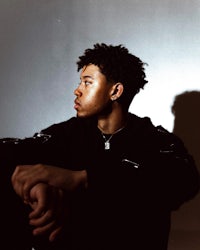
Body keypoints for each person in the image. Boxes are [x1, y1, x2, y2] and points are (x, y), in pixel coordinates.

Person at [1, 43, 199, 250]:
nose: (77, 90)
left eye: (87, 83)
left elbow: (183, 179)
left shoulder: (154, 139)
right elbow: (11, 151)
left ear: (115, 91)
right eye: (80, 82)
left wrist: (80, 179)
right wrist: (35, 186)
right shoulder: (67, 133)